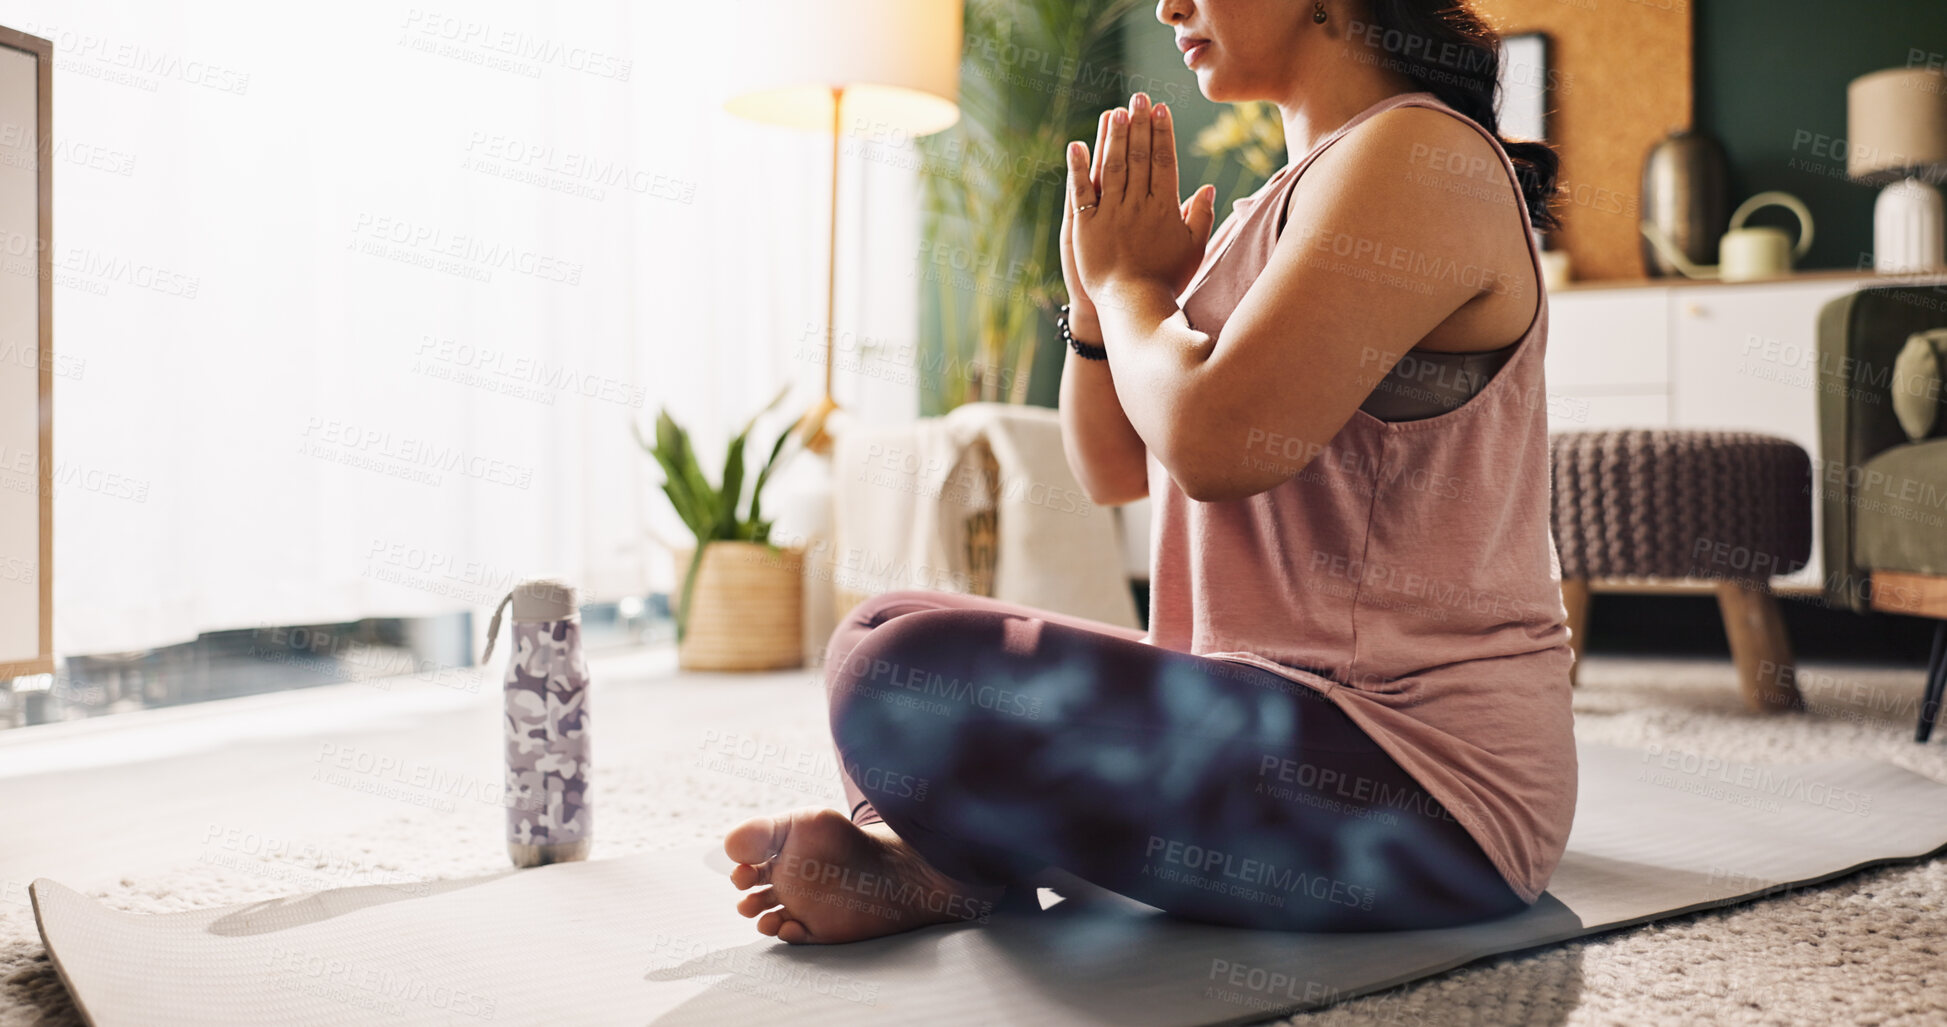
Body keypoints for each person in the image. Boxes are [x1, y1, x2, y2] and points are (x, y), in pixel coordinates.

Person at [724, 0, 1574, 943]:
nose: (1168, 5)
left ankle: (943, 857)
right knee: (878, 628)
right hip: (1263, 729)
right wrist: (1096, 309)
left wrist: (1132, 287)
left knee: (901, 673)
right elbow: (1114, 465)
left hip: (1423, 793)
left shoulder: (1422, 156)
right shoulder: (1279, 202)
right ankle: (927, 862)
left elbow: (1217, 445)